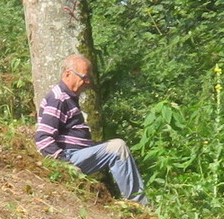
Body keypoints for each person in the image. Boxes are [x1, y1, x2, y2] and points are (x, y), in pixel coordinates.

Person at [32, 53, 148, 206]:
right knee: (118, 148)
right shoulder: (58, 99)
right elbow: (43, 138)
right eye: (84, 77)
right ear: (68, 74)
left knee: (114, 146)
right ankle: (138, 204)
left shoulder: (69, 97)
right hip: (68, 157)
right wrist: (64, 164)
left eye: (89, 78)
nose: (87, 82)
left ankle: (135, 200)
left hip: (76, 153)